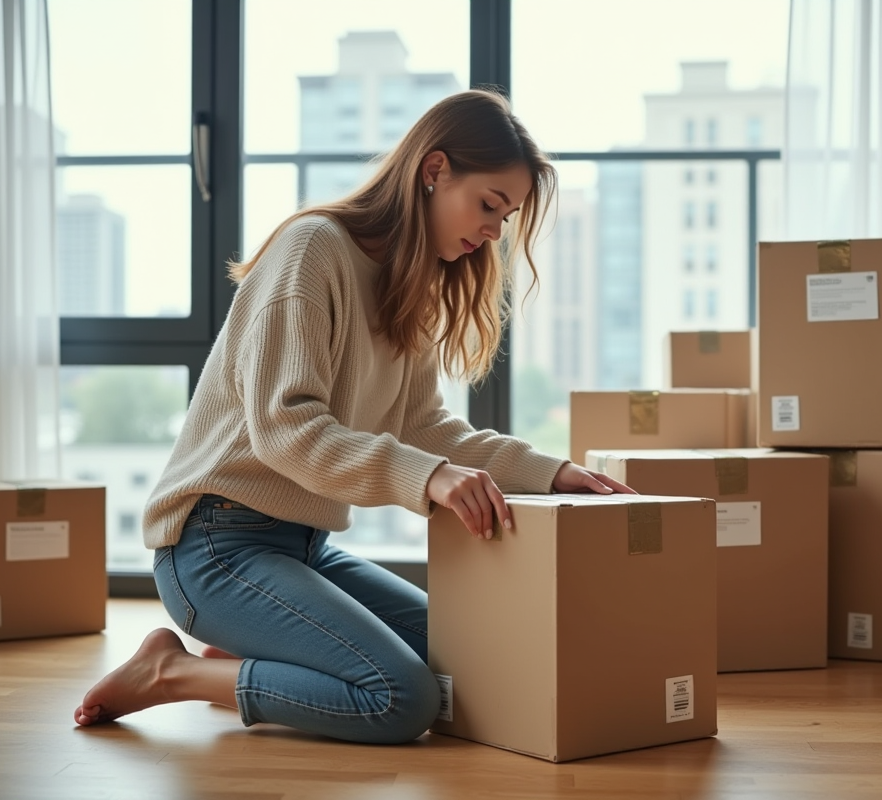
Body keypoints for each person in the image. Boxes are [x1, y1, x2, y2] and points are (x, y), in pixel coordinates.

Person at [73, 89, 633, 744]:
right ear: (434, 169)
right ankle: (172, 672)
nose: (494, 232)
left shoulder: (409, 283)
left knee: (471, 658)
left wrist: (550, 472)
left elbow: (423, 427)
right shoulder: (312, 249)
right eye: (488, 205)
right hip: (214, 547)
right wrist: (430, 477)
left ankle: (260, 659)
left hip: (305, 547)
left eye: (505, 217)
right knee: (402, 698)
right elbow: (285, 429)